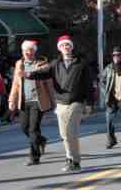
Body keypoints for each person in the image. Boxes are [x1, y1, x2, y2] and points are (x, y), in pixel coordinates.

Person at [23, 33, 94, 173]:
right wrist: (29, 75)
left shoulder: (81, 63)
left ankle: (73, 160)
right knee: (64, 134)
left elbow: (88, 85)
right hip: (61, 102)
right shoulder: (56, 63)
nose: (65, 47)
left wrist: (89, 103)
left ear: (71, 47)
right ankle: (72, 159)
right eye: (62, 45)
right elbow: (43, 73)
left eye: (67, 44)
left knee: (69, 131)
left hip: (76, 102)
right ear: (59, 48)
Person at [9, 40, 54, 166]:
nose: (27, 53)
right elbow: (16, 84)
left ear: (34, 51)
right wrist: (12, 100)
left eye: (30, 50)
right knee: (24, 127)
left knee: (33, 129)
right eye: (25, 50)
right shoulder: (19, 64)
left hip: (38, 101)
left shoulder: (42, 63)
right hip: (24, 101)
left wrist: (54, 101)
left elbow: (49, 84)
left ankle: (34, 157)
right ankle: (41, 140)